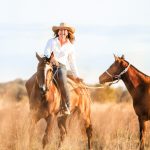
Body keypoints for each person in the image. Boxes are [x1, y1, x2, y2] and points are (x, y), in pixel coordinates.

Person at [44, 22, 82, 115]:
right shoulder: (51, 41)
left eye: (65, 30)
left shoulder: (70, 46)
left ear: (68, 32)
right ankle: (35, 101)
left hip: (61, 67)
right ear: (58, 32)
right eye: (60, 30)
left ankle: (66, 106)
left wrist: (76, 76)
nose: (62, 32)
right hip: (49, 64)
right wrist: (51, 58)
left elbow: (72, 62)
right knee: (39, 76)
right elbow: (46, 52)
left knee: (62, 80)